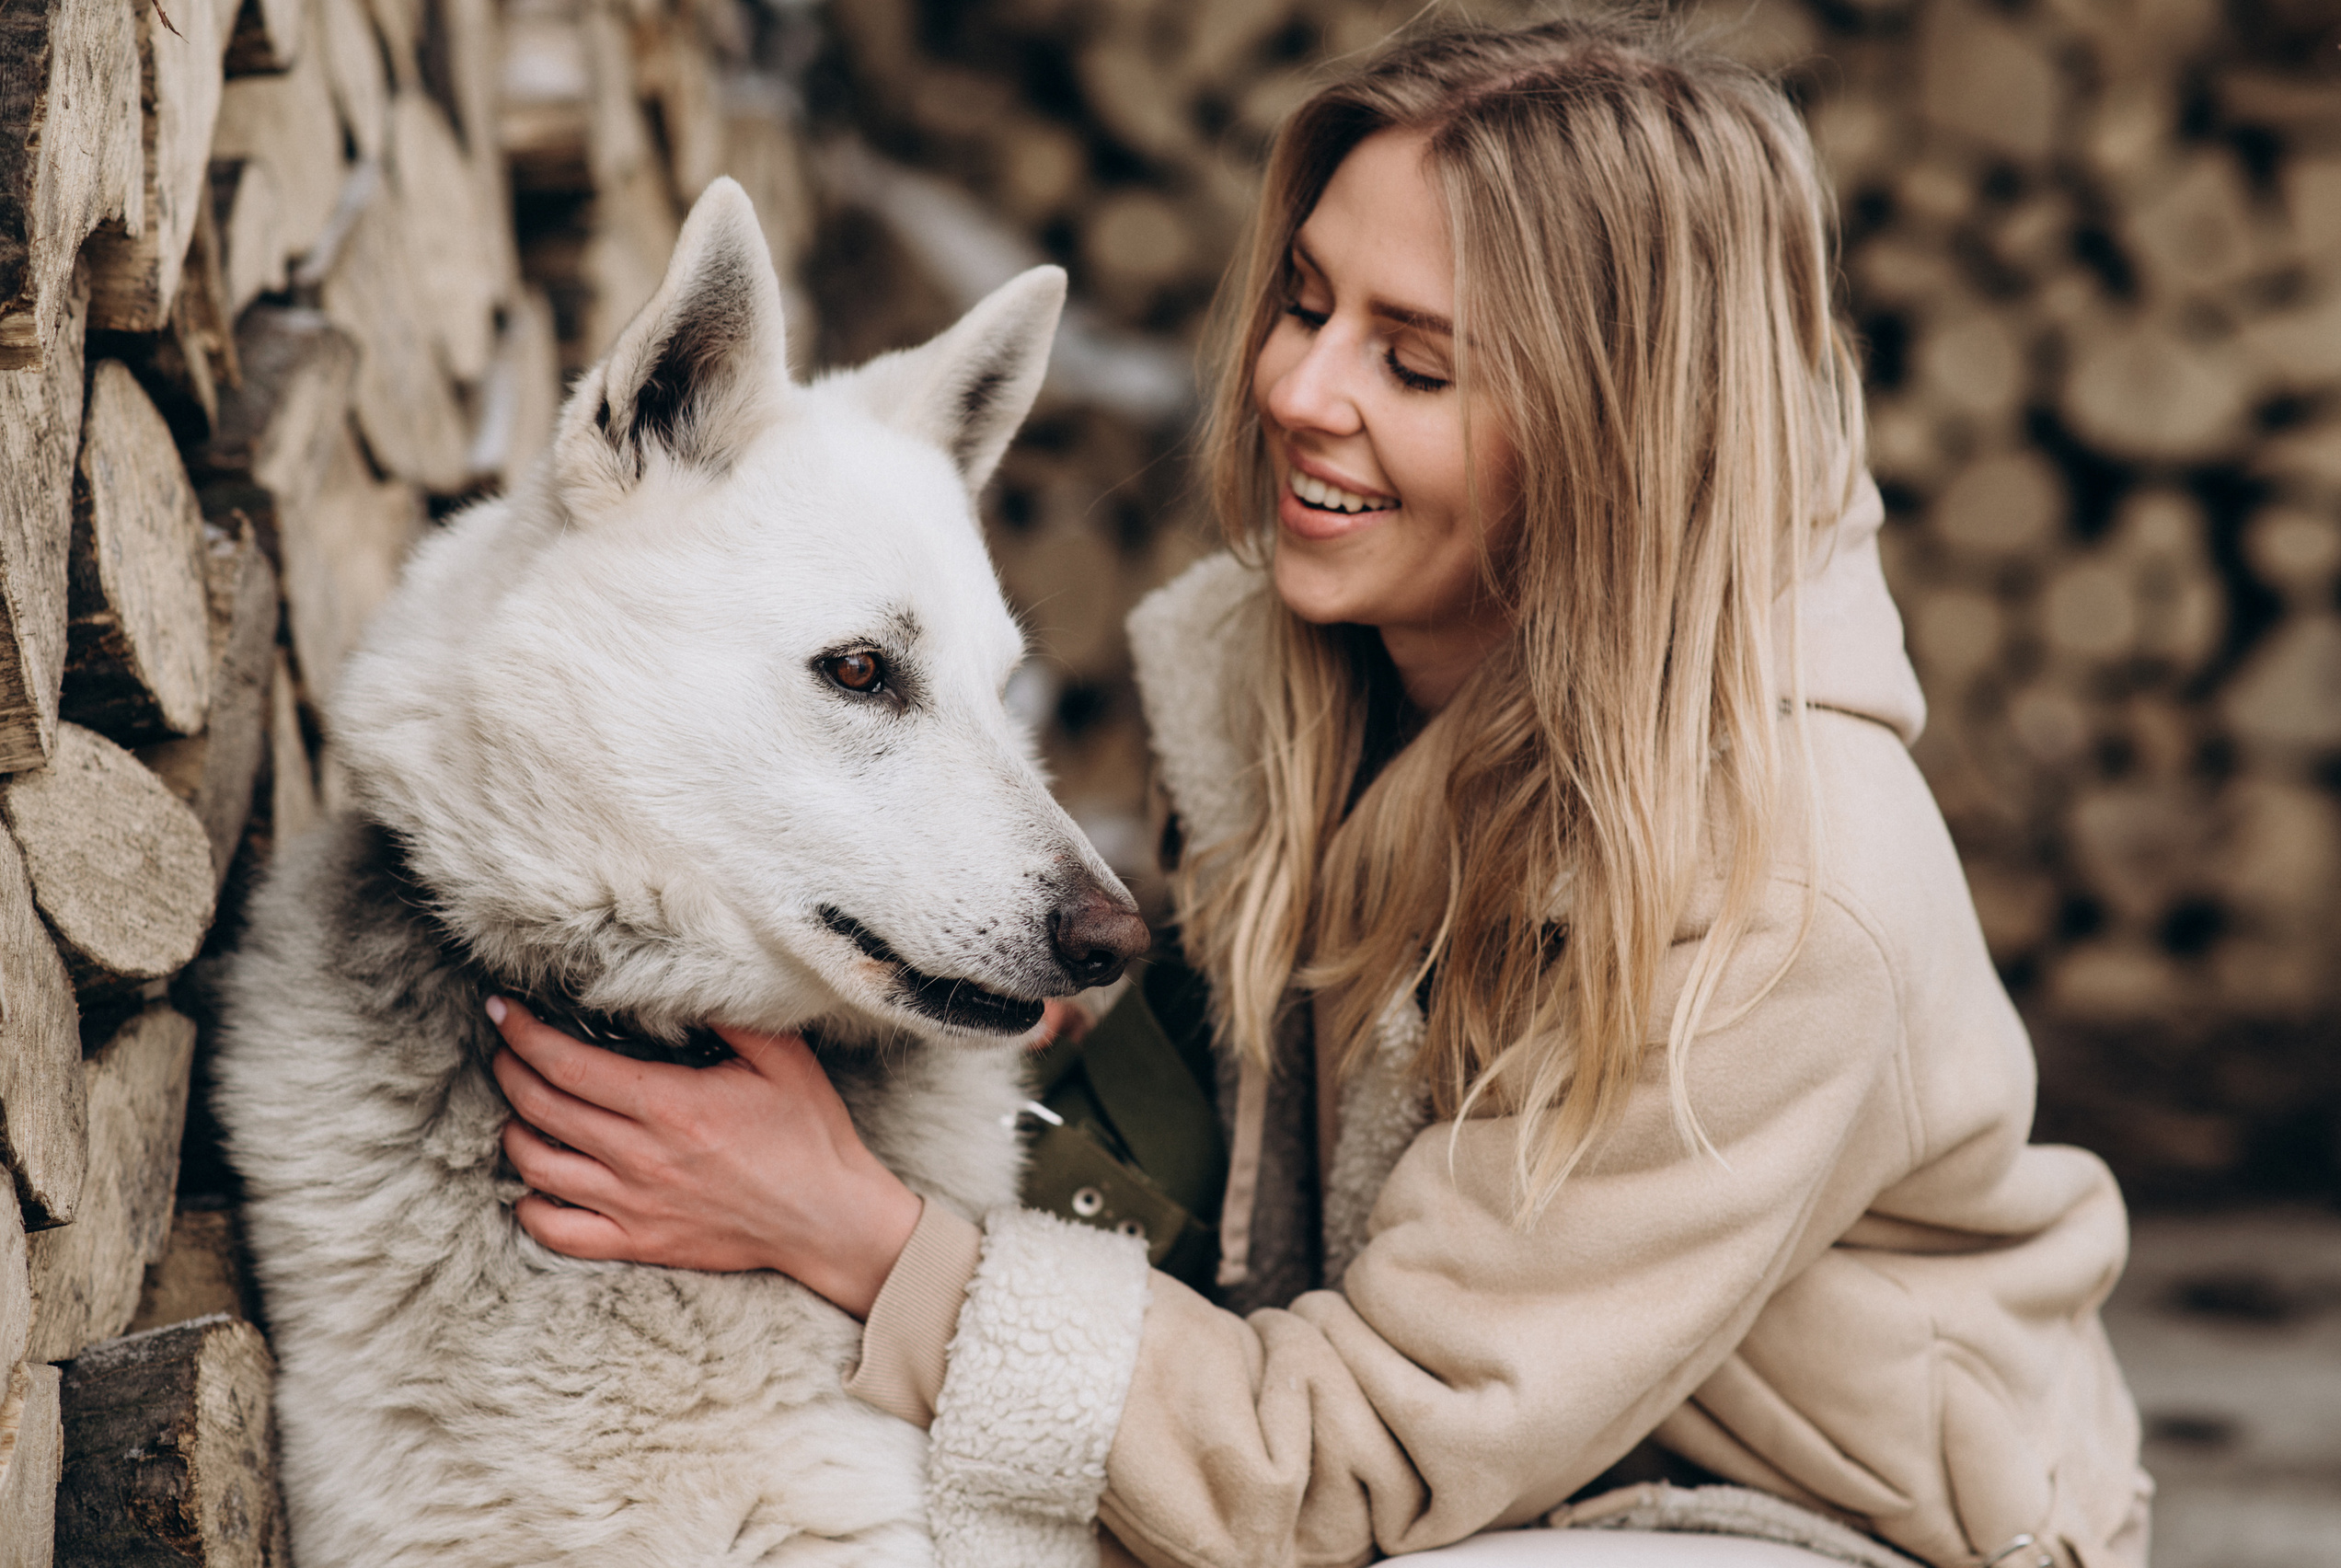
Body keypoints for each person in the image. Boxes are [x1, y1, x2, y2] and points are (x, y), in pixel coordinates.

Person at [485, 17, 2151, 1568]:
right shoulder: (1306, 677)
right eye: (1305, 301)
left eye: (1413, 364)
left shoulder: (1782, 893)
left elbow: (1344, 1463)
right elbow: (1252, 1168)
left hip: (1814, 1517)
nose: (1296, 392)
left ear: (1612, 439)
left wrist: (855, 1230)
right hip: (1492, 1454)